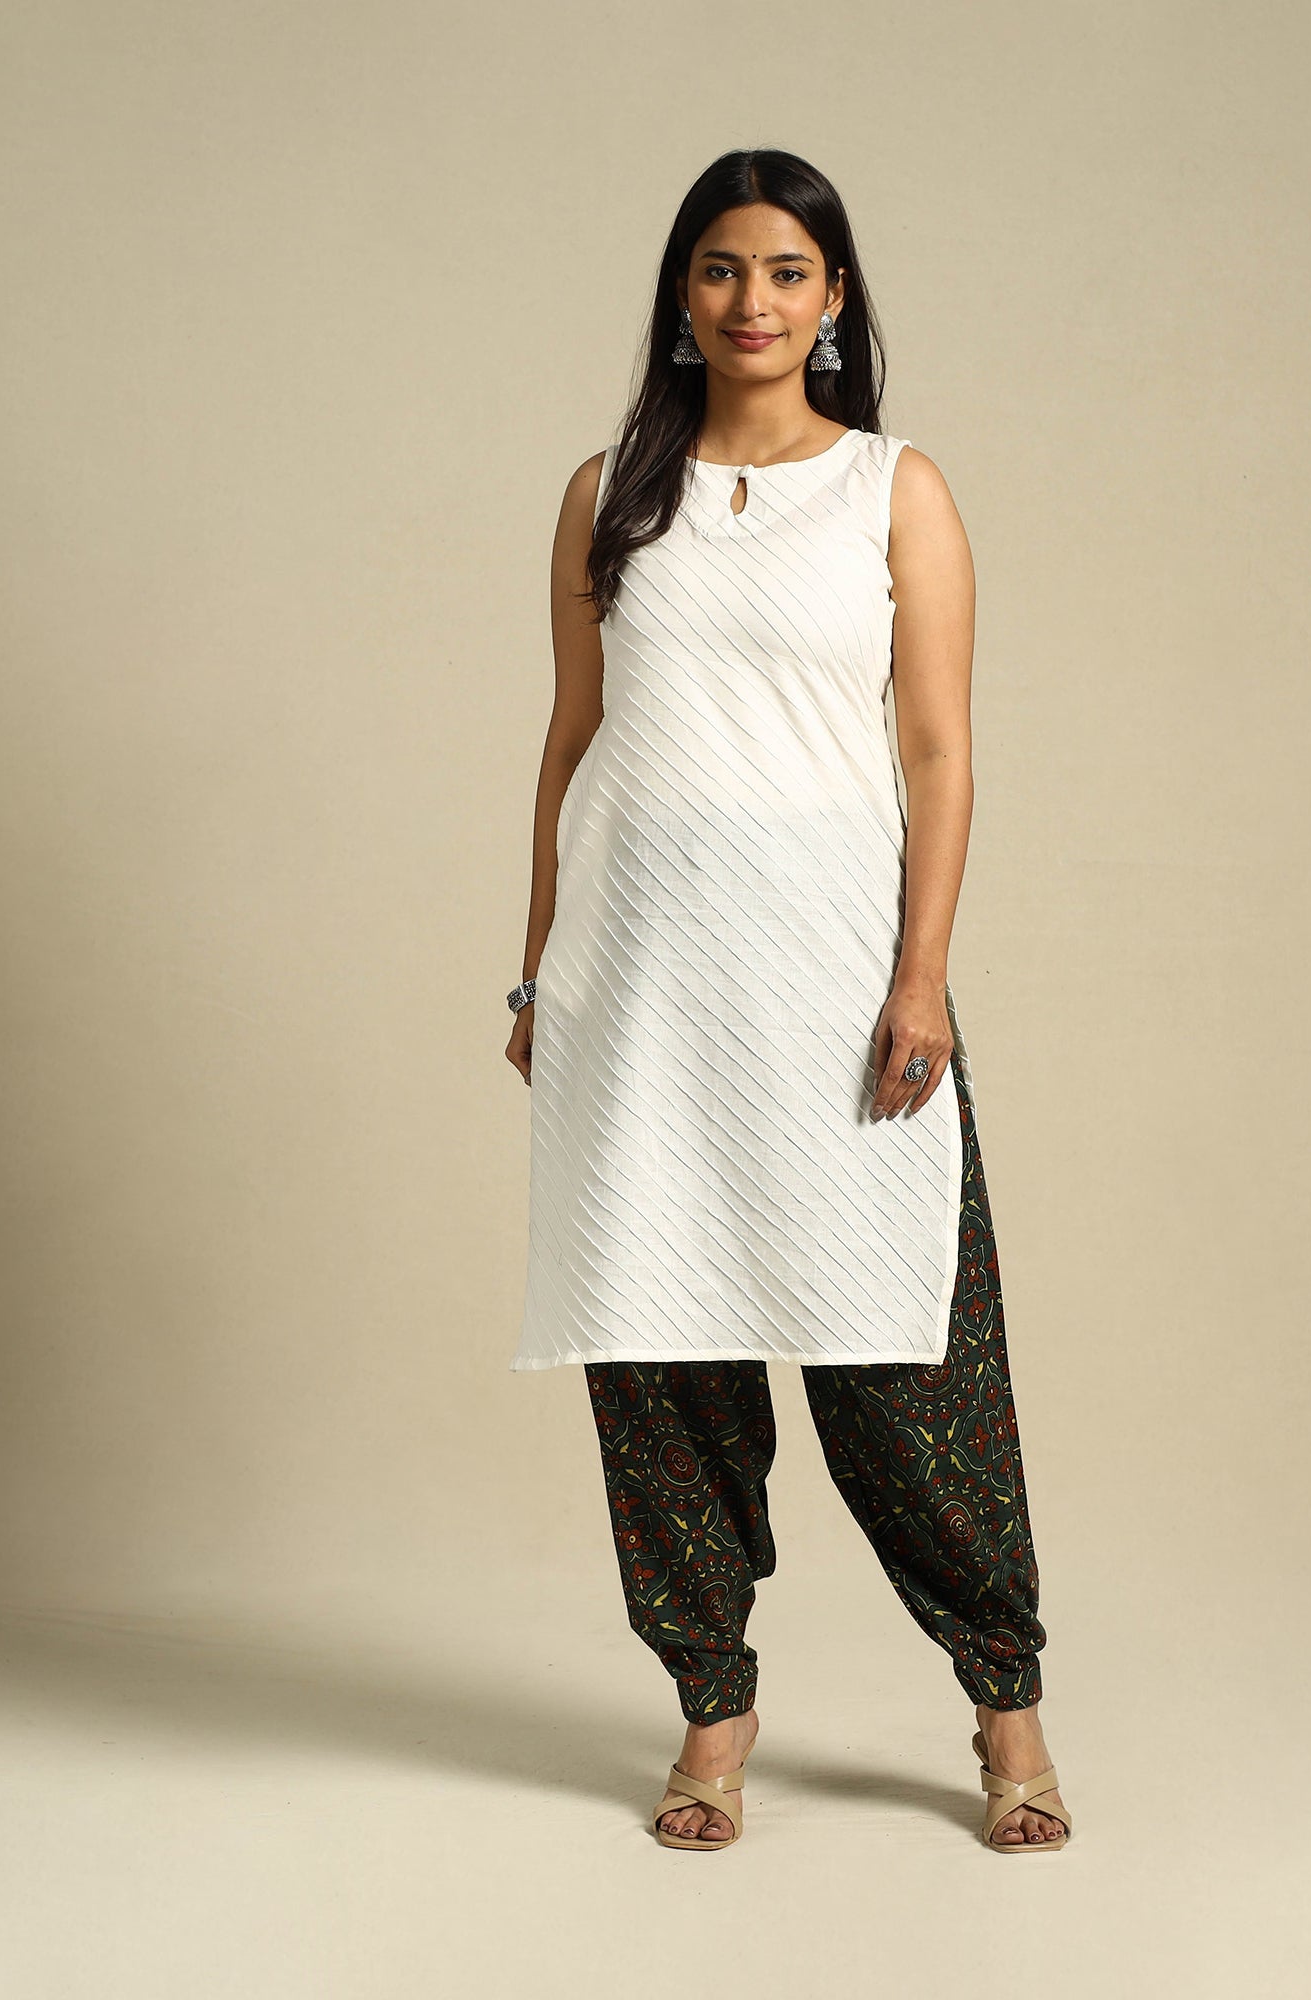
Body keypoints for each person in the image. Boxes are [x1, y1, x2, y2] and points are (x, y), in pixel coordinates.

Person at [505, 148, 1072, 1855]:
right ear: (681, 298)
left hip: (833, 984)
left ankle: (1009, 1711)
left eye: (786, 271)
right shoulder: (610, 492)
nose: (751, 301)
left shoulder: (895, 489)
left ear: (832, 301)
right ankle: (713, 1714)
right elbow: (573, 740)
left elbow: (941, 750)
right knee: (661, 1364)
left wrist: (924, 975)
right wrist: (538, 968)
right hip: (641, 991)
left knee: (910, 1371)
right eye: (720, 269)